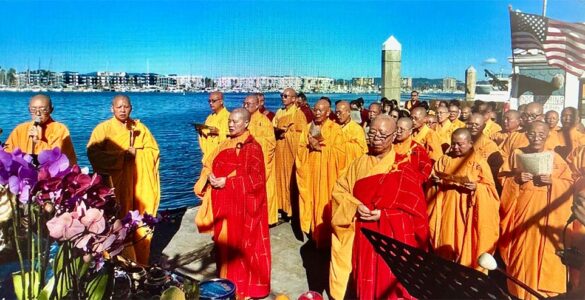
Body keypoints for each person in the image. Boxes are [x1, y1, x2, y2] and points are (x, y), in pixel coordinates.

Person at [329, 115, 429, 299]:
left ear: (393, 136)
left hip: (390, 236)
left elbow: (416, 213)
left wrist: (384, 215)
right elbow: (339, 191)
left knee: (387, 279)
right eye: (372, 132)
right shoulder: (359, 163)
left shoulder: (403, 168)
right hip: (362, 231)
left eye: (382, 135)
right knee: (364, 273)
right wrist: (355, 206)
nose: (376, 138)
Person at [193, 108, 271, 299]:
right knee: (224, 247)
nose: (231, 124)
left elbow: (257, 180)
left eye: (236, 121)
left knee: (242, 248)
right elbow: (209, 164)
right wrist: (209, 177)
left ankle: (243, 288)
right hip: (224, 206)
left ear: (246, 123)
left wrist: (228, 182)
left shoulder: (253, 148)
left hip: (243, 210)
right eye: (229, 120)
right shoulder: (224, 144)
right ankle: (226, 283)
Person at [499, 121, 574, 299]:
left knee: (546, 256)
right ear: (527, 134)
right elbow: (502, 179)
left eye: (541, 134)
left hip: (547, 217)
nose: (536, 137)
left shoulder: (556, 159)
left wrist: (553, 182)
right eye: (532, 133)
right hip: (522, 213)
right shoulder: (517, 154)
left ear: (548, 135)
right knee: (520, 253)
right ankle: (518, 293)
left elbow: (569, 185)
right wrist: (516, 179)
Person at [87, 94, 160, 265]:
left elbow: (154, 152)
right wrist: (122, 156)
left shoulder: (140, 128)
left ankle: (140, 261)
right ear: (111, 108)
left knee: (140, 220)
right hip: (115, 185)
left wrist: (139, 153)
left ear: (131, 108)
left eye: (125, 106)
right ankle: (117, 263)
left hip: (139, 185)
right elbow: (93, 154)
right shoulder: (102, 129)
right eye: (118, 107)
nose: (122, 110)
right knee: (116, 221)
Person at [428, 128, 500, 271]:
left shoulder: (479, 162)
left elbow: (491, 190)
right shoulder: (445, 159)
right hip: (447, 209)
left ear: (470, 143)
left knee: (465, 245)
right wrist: (435, 181)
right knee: (446, 243)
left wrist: (477, 188)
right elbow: (432, 180)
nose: (455, 147)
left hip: (468, 211)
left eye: (460, 144)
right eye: (453, 144)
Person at [296, 99, 345, 248]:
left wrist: (321, 148)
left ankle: (324, 238)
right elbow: (300, 150)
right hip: (310, 172)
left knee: (324, 204)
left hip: (326, 175)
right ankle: (312, 233)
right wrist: (308, 147)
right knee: (309, 201)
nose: (317, 112)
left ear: (328, 112)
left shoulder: (335, 129)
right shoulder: (307, 128)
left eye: (320, 110)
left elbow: (341, 154)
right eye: (315, 109)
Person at [4, 94, 77, 164]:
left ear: (51, 109)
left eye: (43, 109)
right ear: (29, 109)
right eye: (33, 109)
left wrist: (38, 141)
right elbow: (7, 153)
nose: (38, 113)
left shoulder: (59, 129)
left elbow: (58, 159)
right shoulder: (20, 130)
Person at [273, 88, 308, 218]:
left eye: (286, 96)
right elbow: (273, 127)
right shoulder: (279, 112)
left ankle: (292, 209)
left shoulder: (298, 114)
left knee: (290, 179)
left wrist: (287, 134)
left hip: (291, 151)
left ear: (294, 99)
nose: (283, 98)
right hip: (279, 149)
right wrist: (277, 131)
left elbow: (302, 135)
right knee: (279, 177)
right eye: (282, 95)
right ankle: (281, 206)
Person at [243, 94, 278, 225]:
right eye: (244, 104)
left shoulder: (264, 121)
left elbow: (271, 143)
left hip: (261, 162)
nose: (245, 106)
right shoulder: (245, 120)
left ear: (257, 105)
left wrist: (253, 143)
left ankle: (267, 219)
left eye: (249, 104)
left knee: (265, 190)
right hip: (248, 162)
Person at [393, 117, 432, 183]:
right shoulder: (389, 145)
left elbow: (425, 171)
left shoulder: (417, 149)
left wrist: (413, 180)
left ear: (410, 131)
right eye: (396, 128)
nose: (398, 131)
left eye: (402, 129)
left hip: (409, 183)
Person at [198, 91, 229, 162]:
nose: (211, 103)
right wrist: (201, 131)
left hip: (220, 157)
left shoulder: (228, 117)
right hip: (208, 155)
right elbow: (205, 137)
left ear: (221, 101)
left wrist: (219, 132)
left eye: (213, 101)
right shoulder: (209, 117)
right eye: (209, 101)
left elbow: (230, 137)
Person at [335, 100, 368, 168]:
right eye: (336, 113)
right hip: (335, 164)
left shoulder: (356, 129)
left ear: (348, 112)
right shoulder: (333, 126)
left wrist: (341, 146)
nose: (337, 115)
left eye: (340, 113)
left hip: (349, 166)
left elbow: (362, 150)